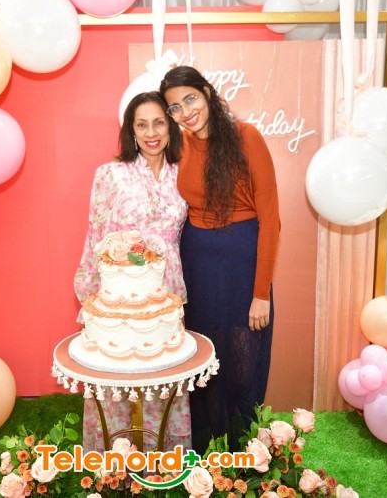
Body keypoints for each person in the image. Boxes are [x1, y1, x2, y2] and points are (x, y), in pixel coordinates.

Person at [160, 65, 281, 453]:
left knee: (242, 366)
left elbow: (271, 219)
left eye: (190, 99)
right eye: (175, 107)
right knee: (203, 363)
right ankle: (202, 457)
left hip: (243, 261)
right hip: (198, 263)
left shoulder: (247, 137)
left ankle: (242, 458)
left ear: (208, 93)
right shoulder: (179, 145)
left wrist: (261, 293)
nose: (185, 112)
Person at [74, 91, 190, 452]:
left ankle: (164, 461)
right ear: (131, 130)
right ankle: (115, 461)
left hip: (166, 290)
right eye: (142, 125)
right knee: (117, 378)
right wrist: (92, 292)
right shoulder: (110, 174)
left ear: (170, 127)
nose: (151, 133)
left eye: (158, 123)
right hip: (120, 294)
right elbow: (96, 232)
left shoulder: (184, 173)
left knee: (164, 379)